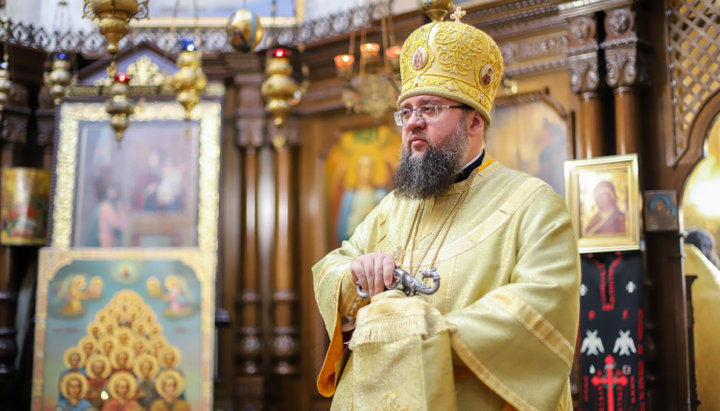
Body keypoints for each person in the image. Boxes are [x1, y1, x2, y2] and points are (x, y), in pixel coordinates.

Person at [312, 8, 579, 411]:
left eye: (430, 109)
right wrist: (356, 276)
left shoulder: (534, 205)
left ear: (474, 122)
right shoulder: (394, 207)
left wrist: (430, 332)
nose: (412, 123)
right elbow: (332, 265)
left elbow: (540, 311)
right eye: (407, 111)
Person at [336, 154, 389, 244]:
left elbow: (389, 219)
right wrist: (362, 214)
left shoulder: (381, 193)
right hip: (356, 243)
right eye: (363, 167)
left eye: (370, 167)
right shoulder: (350, 195)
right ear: (357, 170)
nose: (367, 171)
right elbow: (343, 227)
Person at [87, 183, 128, 247]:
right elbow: (118, 223)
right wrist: (120, 207)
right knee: (106, 256)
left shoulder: (110, 206)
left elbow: (123, 223)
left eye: (115, 191)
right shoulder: (105, 206)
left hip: (111, 236)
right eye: (112, 191)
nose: (114, 194)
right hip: (106, 236)